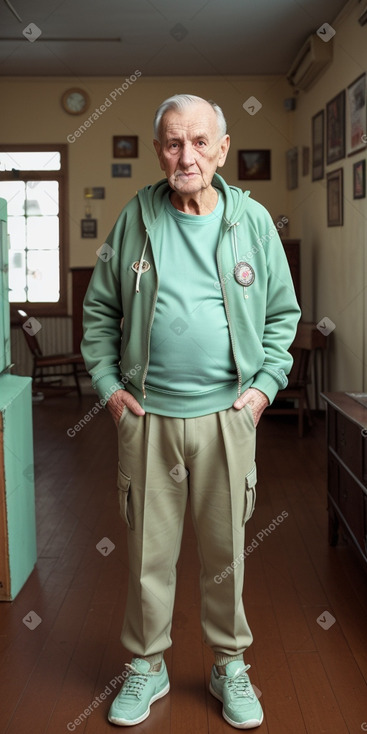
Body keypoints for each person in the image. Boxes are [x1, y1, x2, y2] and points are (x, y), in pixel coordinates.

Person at [81, 93, 301, 729]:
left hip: (228, 419)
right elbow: (99, 313)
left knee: (225, 551)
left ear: (223, 148)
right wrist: (108, 388)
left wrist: (261, 392)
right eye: (173, 143)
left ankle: (230, 663)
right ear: (158, 151)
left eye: (200, 142)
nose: (187, 155)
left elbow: (284, 315)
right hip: (146, 418)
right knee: (149, 554)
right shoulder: (135, 218)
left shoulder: (253, 222)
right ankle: (146, 667)